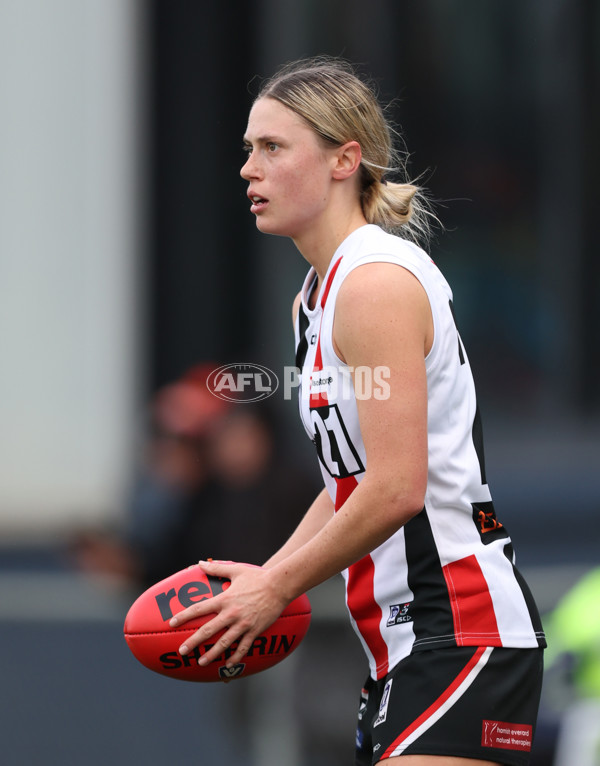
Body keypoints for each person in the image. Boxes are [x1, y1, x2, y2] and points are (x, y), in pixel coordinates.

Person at [170, 57, 546, 765]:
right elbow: (352, 482)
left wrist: (277, 584)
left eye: (273, 148)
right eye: (248, 149)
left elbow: (397, 487)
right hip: (402, 642)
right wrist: (263, 584)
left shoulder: (373, 285)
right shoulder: (314, 297)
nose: (249, 168)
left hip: (459, 625)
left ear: (345, 159)